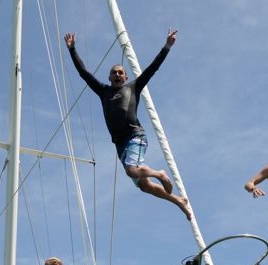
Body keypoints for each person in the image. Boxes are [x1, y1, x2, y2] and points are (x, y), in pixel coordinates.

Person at [66, 30, 192, 220]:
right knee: (144, 186)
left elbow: (152, 68)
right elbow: (84, 73)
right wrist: (72, 49)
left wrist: (166, 47)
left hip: (135, 136)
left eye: (120, 73)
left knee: (131, 170)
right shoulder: (103, 91)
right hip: (120, 144)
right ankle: (179, 201)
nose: (117, 74)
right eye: (114, 73)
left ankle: (160, 174)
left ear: (125, 77)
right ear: (109, 77)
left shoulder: (133, 87)